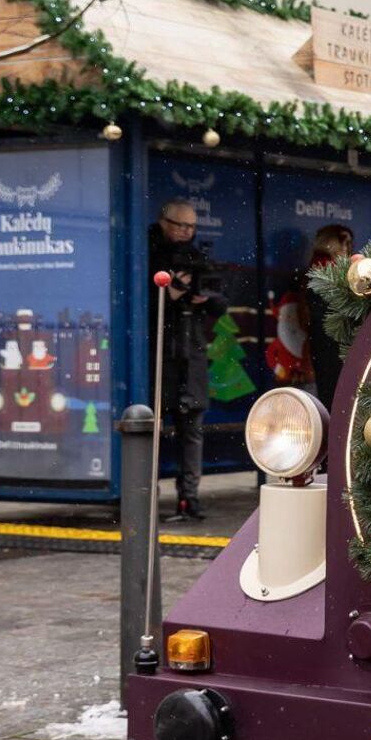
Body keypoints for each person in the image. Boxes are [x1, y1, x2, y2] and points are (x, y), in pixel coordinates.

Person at [147, 201, 220, 522]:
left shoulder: (198, 260)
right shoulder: (147, 253)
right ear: (164, 222)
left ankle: (188, 497)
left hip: (191, 355)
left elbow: (220, 301)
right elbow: (141, 304)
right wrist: (168, 296)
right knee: (151, 429)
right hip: (161, 354)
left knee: (192, 429)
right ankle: (146, 495)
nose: (186, 232)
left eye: (191, 227)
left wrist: (200, 297)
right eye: (181, 225)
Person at [304, 224, 355, 404]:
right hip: (328, 339)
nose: (345, 248)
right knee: (331, 386)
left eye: (348, 243)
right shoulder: (320, 268)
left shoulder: (340, 267)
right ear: (328, 242)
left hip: (338, 338)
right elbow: (320, 311)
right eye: (341, 242)